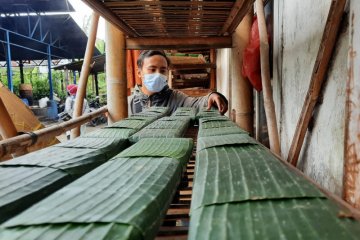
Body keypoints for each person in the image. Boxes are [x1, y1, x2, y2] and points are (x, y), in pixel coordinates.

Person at [129, 50, 228, 114]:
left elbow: (197, 104)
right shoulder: (129, 103)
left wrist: (212, 97)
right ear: (139, 72)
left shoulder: (176, 98)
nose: (158, 74)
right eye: (152, 69)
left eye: (163, 70)